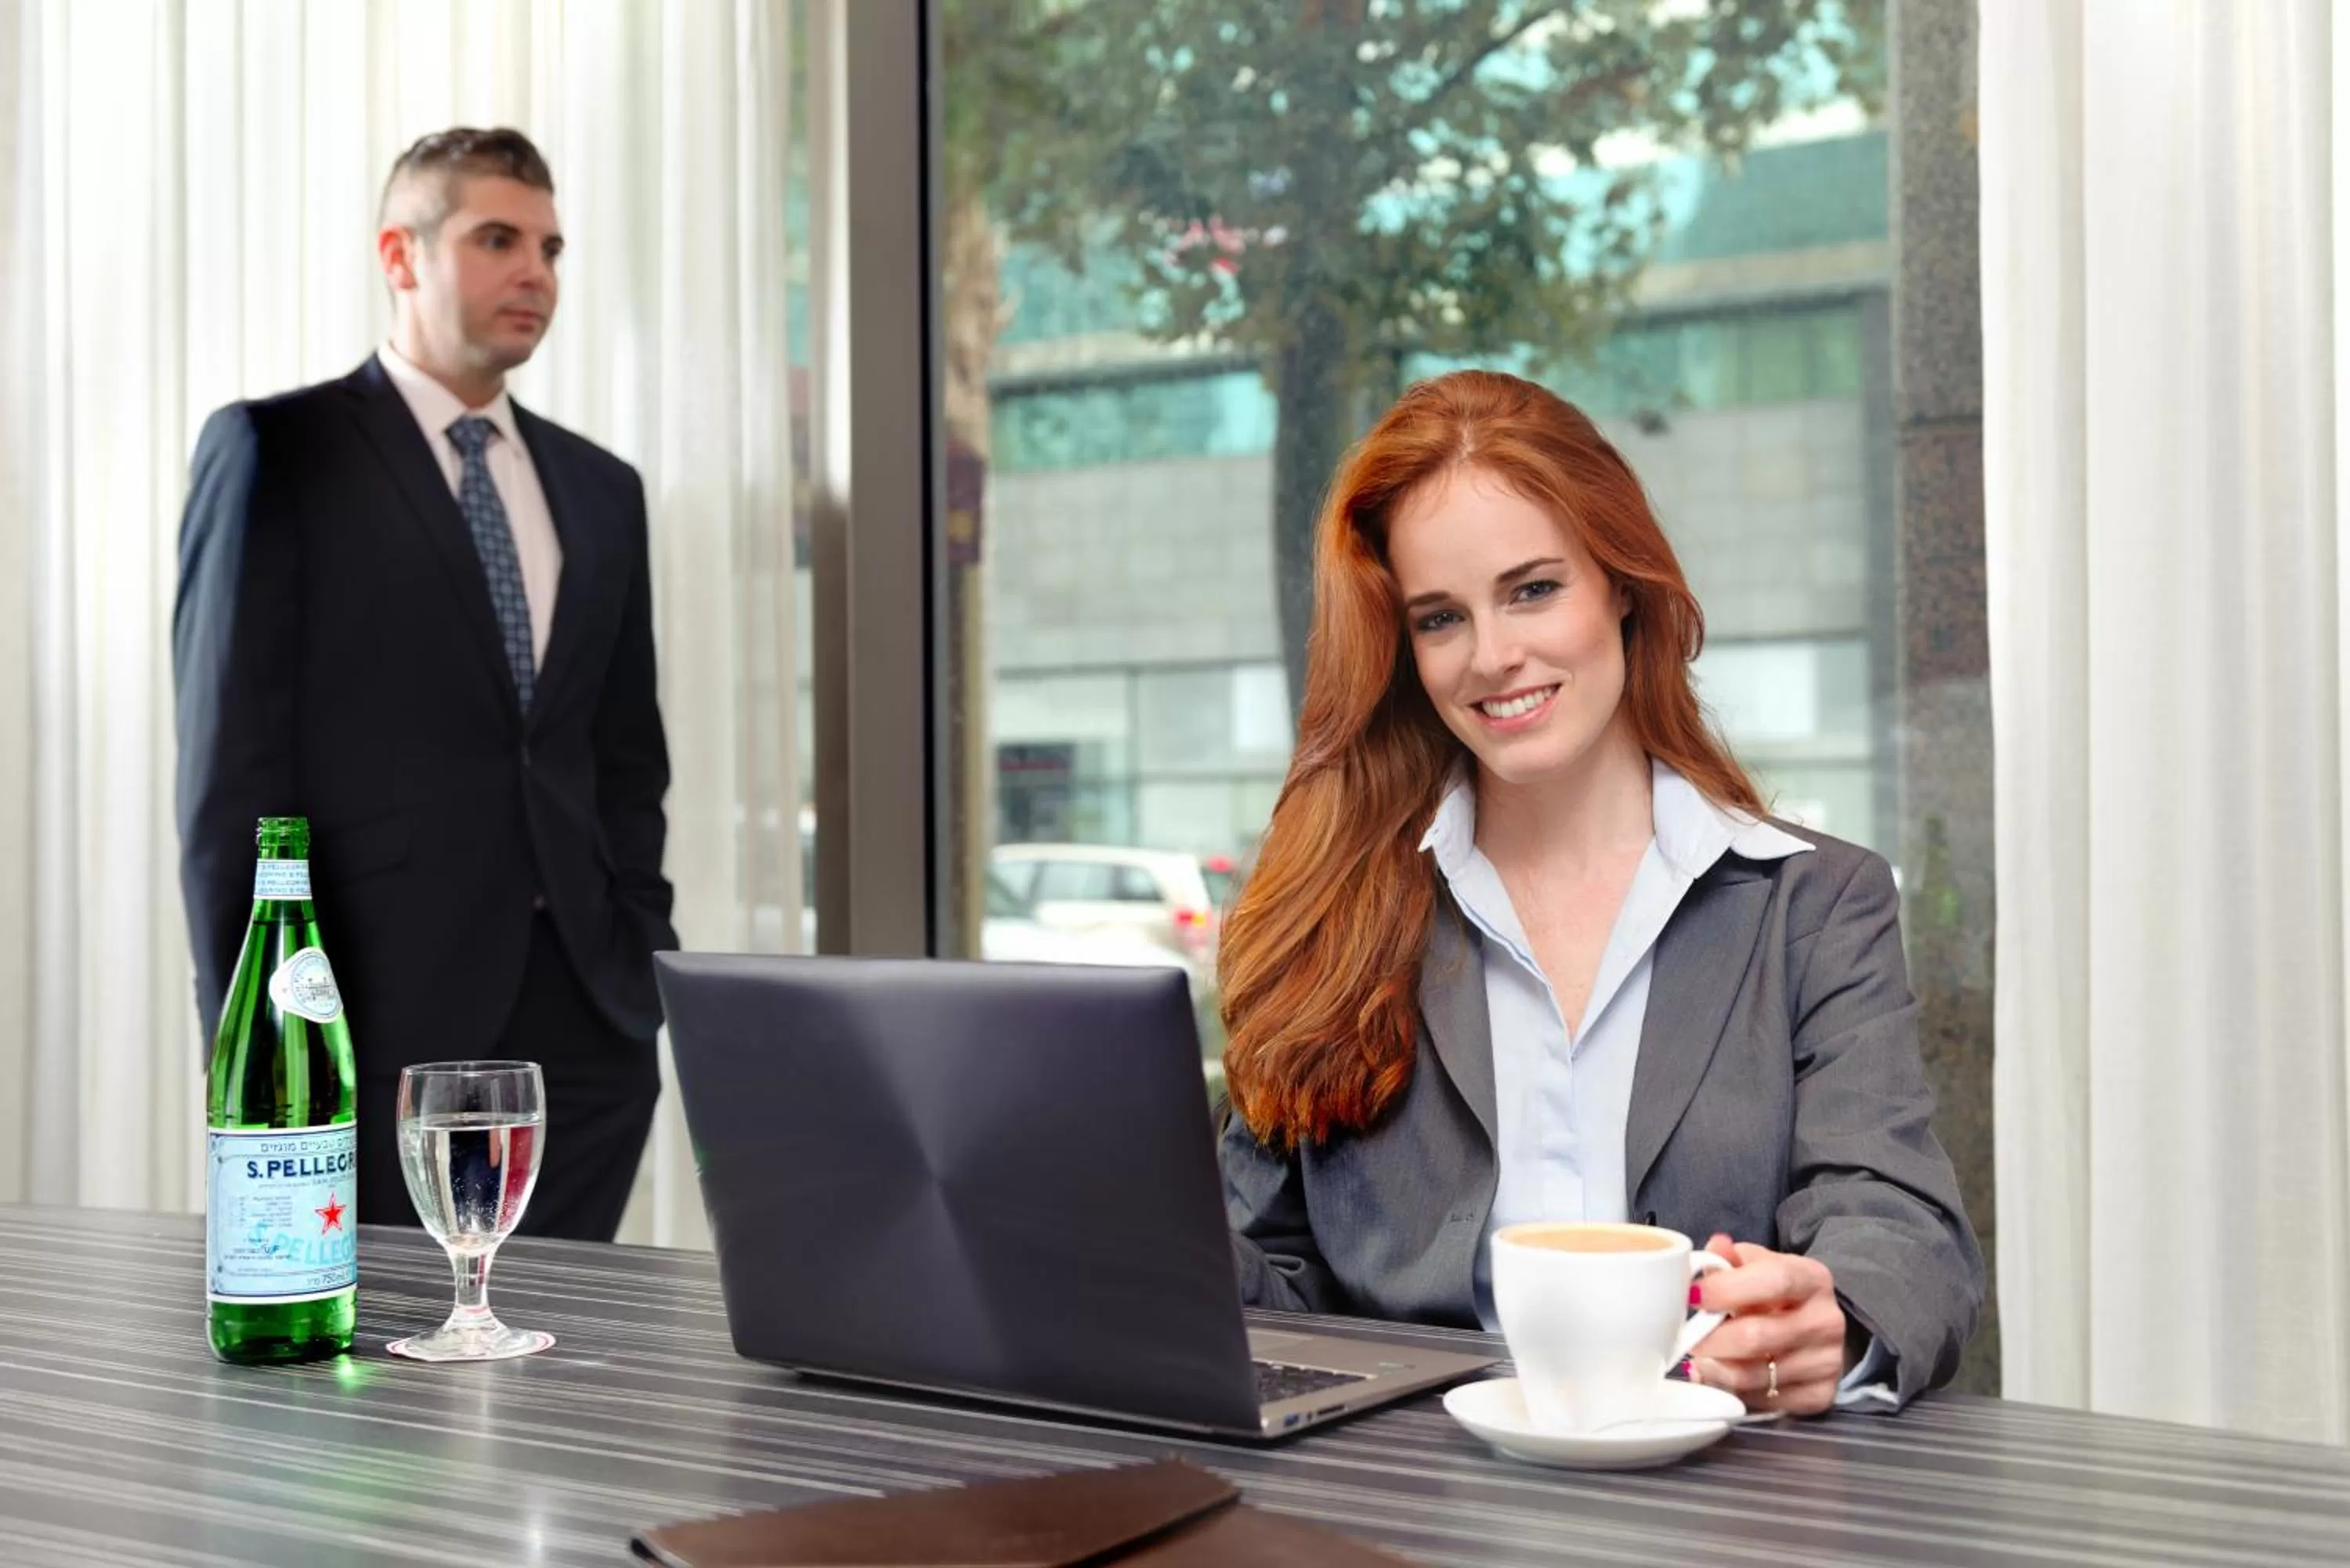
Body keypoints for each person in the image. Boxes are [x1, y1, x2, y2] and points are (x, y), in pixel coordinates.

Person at [1216, 370, 1982, 1414]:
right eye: (1441, 618)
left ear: (1622, 583)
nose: (1493, 657)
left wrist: (1831, 1316)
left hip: (1722, 1495)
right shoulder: (1335, 909)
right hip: (1403, 1500)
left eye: (1533, 589)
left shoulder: (1814, 905)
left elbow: (1900, 1226)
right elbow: (1270, 1277)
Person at [174, 128, 674, 1242]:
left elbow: (623, 756)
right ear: (400, 255)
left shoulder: (603, 490)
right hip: (370, 1017)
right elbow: (229, 780)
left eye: (551, 246)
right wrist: (255, 1051)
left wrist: (641, 947)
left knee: (555, 1370)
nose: (535, 271)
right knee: (381, 1393)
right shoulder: (277, 450)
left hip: (587, 1035)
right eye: (497, 238)